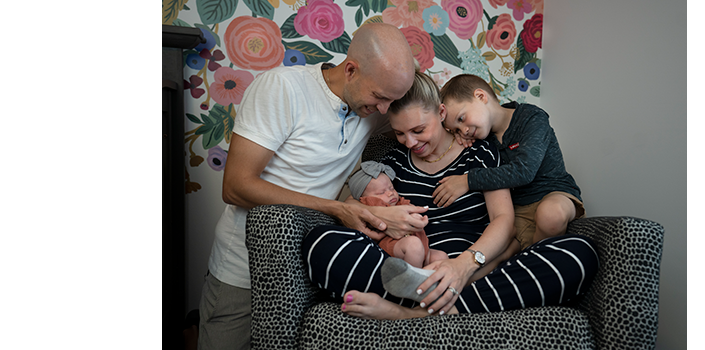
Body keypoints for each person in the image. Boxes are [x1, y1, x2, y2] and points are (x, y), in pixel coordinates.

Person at [198, 23, 425, 350]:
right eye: (379, 97)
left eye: (393, 100)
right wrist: (339, 209)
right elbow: (235, 187)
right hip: (245, 269)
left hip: (311, 263)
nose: (385, 111)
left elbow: (432, 104)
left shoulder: (375, 105)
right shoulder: (282, 88)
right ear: (350, 70)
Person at [302, 72, 599, 320]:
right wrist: (382, 214)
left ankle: (410, 313)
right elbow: (353, 204)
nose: (411, 142)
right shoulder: (391, 161)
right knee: (320, 242)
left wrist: (462, 267)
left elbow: (504, 220)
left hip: (473, 271)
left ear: (441, 113)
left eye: (419, 129)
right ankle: (443, 303)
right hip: (410, 267)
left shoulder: (481, 153)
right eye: (400, 133)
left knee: (578, 253)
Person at [436, 74, 586, 250]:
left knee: (550, 215)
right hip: (517, 209)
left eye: (461, 119)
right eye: (456, 130)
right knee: (496, 245)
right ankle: (458, 276)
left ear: (480, 96)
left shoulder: (531, 117)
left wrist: (468, 180)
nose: (465, 130)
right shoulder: (483, 140)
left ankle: (533, 259)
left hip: (553, 193)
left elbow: (524, 171)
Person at [349, 161, 449, 268]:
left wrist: (417, 216)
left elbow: (412, 209)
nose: (390, 193)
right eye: (381, 192)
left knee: (441, 257)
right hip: (393, 247)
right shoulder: (372, 209)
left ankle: (428, 280)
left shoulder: (399, 203)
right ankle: (411, 281)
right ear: (363, 200)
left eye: (391, 188)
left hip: (423, 249)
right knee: (413, 246)